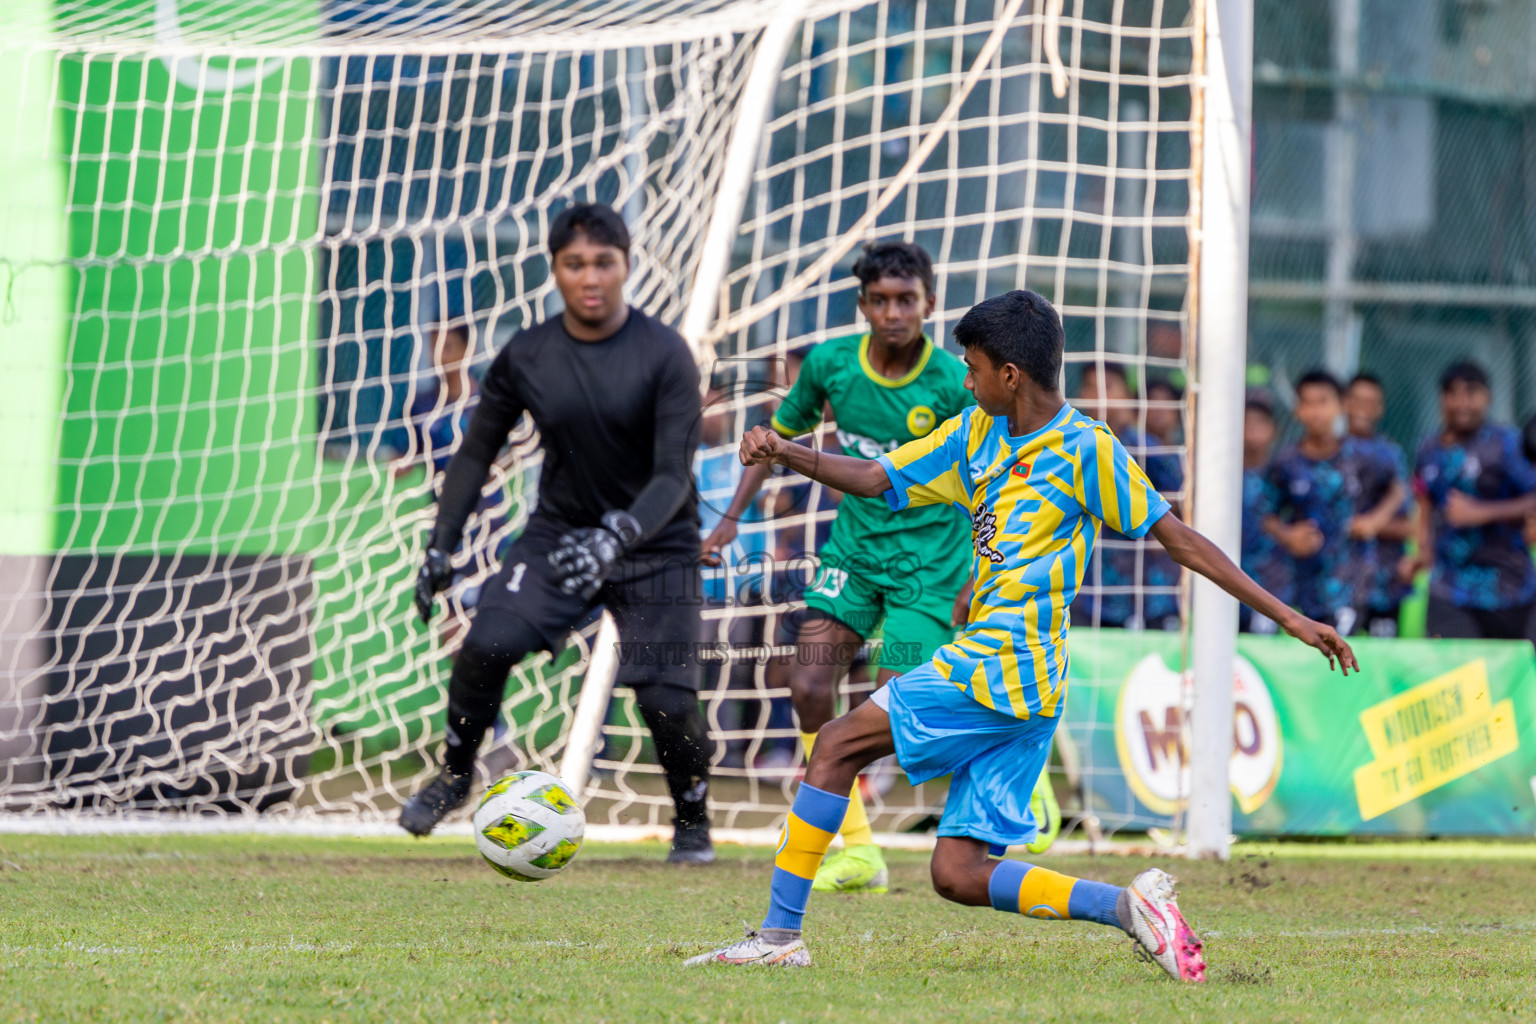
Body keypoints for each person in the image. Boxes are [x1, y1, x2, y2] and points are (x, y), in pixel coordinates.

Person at [685, 289, 1357, 980]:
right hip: (1033, 688)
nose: (965, 380)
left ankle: (777, 935)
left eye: (972, 369)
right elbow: (875, 477)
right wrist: (789, 453)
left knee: (833, 745)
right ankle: (1129, 908)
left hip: (998, 665)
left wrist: (1289, 617)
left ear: (1009, 375)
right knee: (958, 871)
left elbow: (1179, 539)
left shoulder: (1086, 448)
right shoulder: (970, 433)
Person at [404, 202, 716, 864]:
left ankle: (692, 819)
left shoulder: (666, 355)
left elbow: (671, 475)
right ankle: (456, 775)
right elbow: (475, 453)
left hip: (655, 540)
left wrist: (619, 533)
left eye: (604, 262)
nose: (591, 277)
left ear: (627, 266)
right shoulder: (529, 354)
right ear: (555, 271)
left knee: (666, 699)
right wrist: (441, 544)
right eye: (575, 264)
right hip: (560, 534)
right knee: (485, 643)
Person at [700, 241, 976, 894]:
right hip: (852, 556)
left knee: (894, 707)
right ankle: (855, 849)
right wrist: (732, 518)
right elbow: (776, 440)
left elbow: (981, 471)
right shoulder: (829, 366)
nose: (892, 314)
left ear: (928, 304)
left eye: (905, 300)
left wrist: (977, 571)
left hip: (929, 566)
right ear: (862, 306)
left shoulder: (952, 382)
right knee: (807, 684)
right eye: (879, 301)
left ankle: (995, 775)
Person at [1402, 361, 1536, 645]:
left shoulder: (1507, 444)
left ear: (1487, 397)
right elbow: (1424, 499)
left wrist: (1481, 513)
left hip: (1509, 589)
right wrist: (1422, 550)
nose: (1461, 403)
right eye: (1453, 393)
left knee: (1513, 679)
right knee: (1458, 677)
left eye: (1471, 393)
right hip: (1449, 590)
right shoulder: (1428, 447)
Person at [1071, 362, 1184, 631]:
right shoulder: (1071, 444)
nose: (1097, 394)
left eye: (1107, 387)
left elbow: (1180, 505)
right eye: (1090, 386)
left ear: (1128, 395)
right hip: (1087, 587)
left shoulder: (1149, 449)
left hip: (1145, 589)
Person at [1261, 370, 1370, 635]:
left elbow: (1399, 490)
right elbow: (1266, 512)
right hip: (1295, 585)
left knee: (1341, 662)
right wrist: (1288, 535)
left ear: (1341, 406)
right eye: (1307, 403)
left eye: (1323, 402)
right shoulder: (1285, 462)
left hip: (1348, 585)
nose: (1315, 411)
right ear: (1297, 410)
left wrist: (1373, 521)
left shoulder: (1365, 456)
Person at [1343, 373, 1412, 637]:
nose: (1363, 408)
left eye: (1371, 402)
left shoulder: (1391, 455)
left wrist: (1372, 523)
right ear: (1344, 403)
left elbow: (1408, 527)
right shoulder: (1330, 451)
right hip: (1338, 585)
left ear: (1381, 408)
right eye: (1356, 399)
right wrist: (1385, 509)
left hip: (1385, 583)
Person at [1239, 392, 1290, 634]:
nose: (1252, 428)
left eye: (1261, 421)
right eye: (1246, 421)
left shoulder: (1287, 473)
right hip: (1221, 581)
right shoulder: (1213, 475)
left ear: (1274, 430)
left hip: (1271, 588)